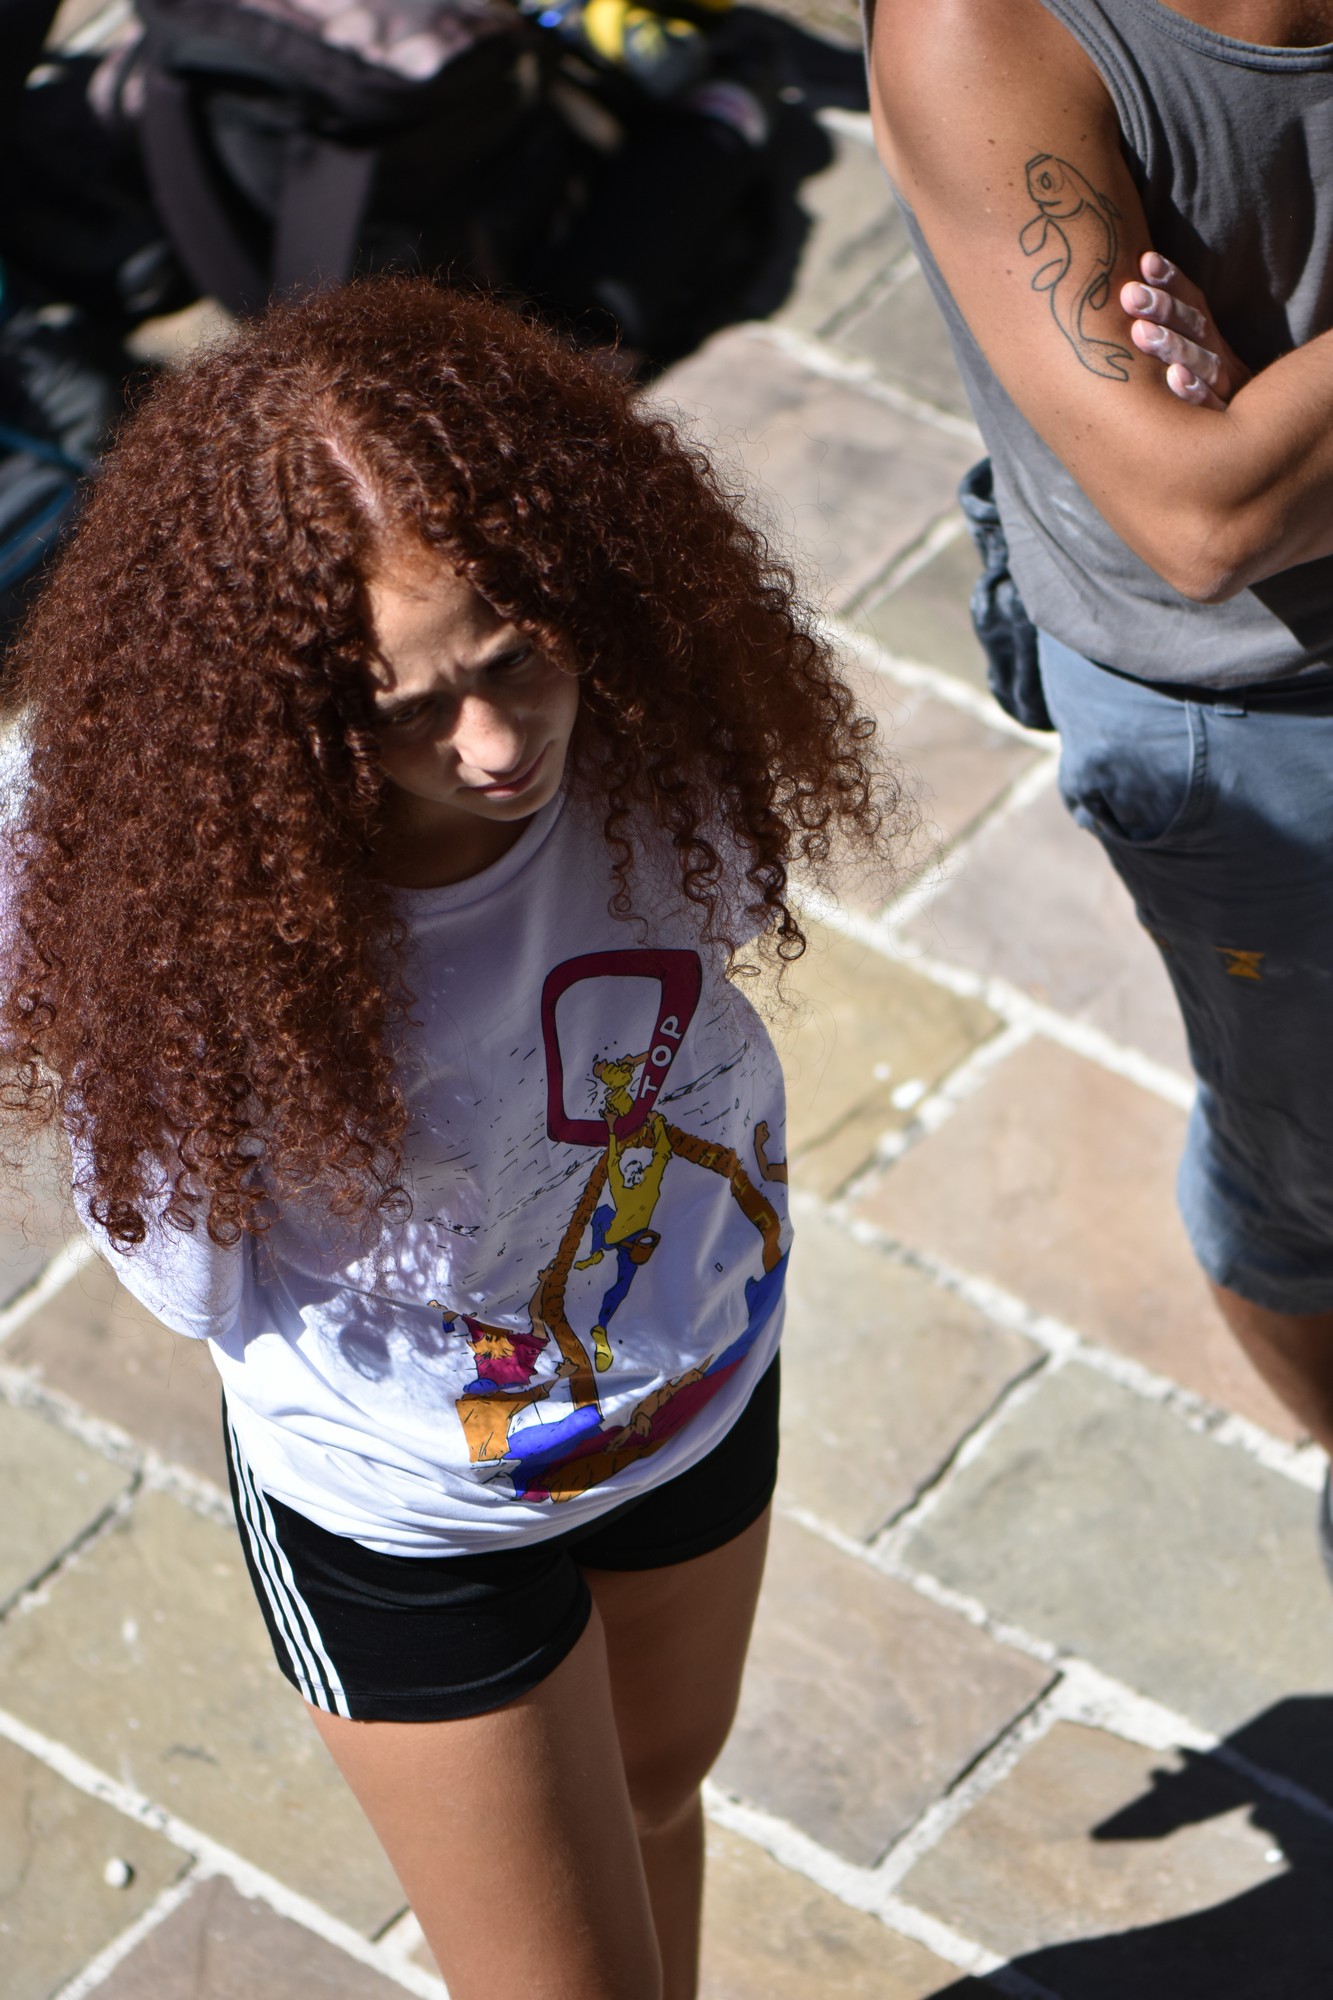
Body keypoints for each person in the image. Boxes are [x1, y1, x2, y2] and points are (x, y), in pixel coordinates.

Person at [0, 277, 890, 1999]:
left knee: (659, 1790)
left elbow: (724, 905)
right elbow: (187, 1274)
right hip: (401, 1511)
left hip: (699, 1369)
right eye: (403, 708)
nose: (492, 747)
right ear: (263, 710)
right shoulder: (138, 863)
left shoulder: (657, 694)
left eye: (515, 657)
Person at [868, 1, 1333, 1522]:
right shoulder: (978, 29)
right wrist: (1247, 465)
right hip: (1258, 723)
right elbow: (1207, 516)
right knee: (1310, 1171)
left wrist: (1285, 419)